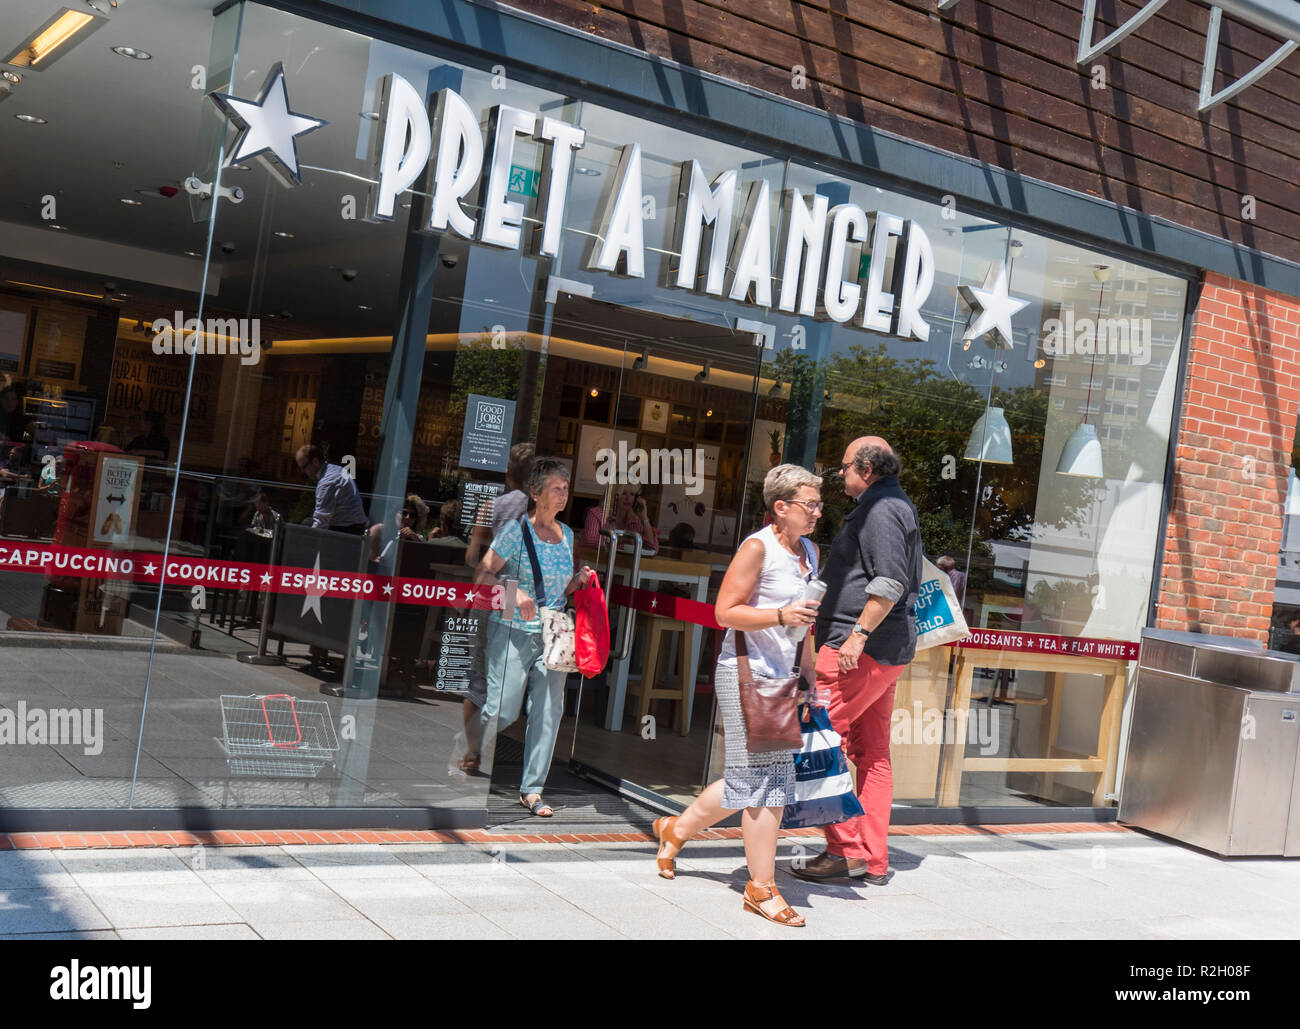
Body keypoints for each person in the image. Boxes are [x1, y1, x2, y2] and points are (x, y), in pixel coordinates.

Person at [651, 464, 824, 926]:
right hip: (745, 674)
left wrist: (809, 669)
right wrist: (780, 615)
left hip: (784, 678)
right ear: (780, 507)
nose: (817, 513)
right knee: (768, 784)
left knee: (751, 778)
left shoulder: (810, 550)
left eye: (819, 505)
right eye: (810, 504)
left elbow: (807, 619)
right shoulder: (757, 546)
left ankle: (676, 828)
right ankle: (760, 889)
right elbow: (724, 612)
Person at [791, 436, 922, 886]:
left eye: (844, 467)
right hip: (883, 652)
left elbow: (889, 581)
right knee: (872, 755)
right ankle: (873, 857)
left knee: (819, 741)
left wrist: (856, 637)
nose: (840, 475)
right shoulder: (894, 504)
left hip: (858, 652)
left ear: (866, 468)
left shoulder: (881, 508)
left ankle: (845, 852)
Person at [471, 458, 593, 816]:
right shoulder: (515, 531)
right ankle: (470, 744)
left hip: (551, 636)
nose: (563, 494)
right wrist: (514, 592)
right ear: (536, 494)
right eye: (556, 488)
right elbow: (482, 574)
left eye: (566, 489)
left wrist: (577, 582)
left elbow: (558, 590)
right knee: (503, 708)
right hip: (511, 629)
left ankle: (533, 789)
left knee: (548, 711)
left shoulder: (567, 535)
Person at [295, 443, 367, 533]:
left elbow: (321, 521)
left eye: (304, 467)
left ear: (315, 462)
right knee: (307, 523)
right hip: (357, 525)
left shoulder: (326, 482)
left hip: (346, 530)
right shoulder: (336, 469)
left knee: (306, 529)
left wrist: (308, 539)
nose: (302, 471)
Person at [580, 483, 659, 551]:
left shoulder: (634, 521)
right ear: (614, 495)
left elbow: (652, 548)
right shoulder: (596, 514)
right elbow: (590, 541)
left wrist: (644, 518)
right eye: (624, 493)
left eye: (632, 494)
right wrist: (622, 540)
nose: (628, 498)